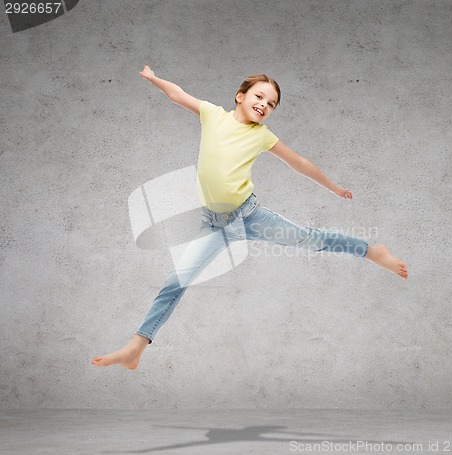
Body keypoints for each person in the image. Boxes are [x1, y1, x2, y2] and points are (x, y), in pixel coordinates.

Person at [92, 67, 408, 370]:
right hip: (213, 225)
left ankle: (371, 250)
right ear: (240, 96)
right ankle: (136, 347)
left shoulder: (262, 136)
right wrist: (153, 79)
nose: (264, 106)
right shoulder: (212, 115)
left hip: (249, 216)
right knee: (175, 282)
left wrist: (334, 188)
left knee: (310, 240)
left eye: (271, 104)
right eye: (259, 97)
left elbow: (298, 162)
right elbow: (178, 95)